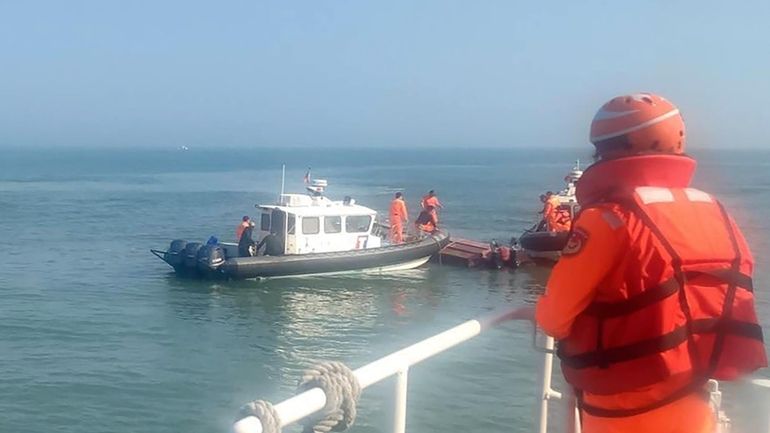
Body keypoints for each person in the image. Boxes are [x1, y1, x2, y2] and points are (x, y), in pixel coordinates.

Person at [529, 93, 766, 433]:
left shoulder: (607, 219)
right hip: (694, 399)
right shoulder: (713, 210)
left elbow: (554, 318)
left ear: (612, 150)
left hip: (624, 408)